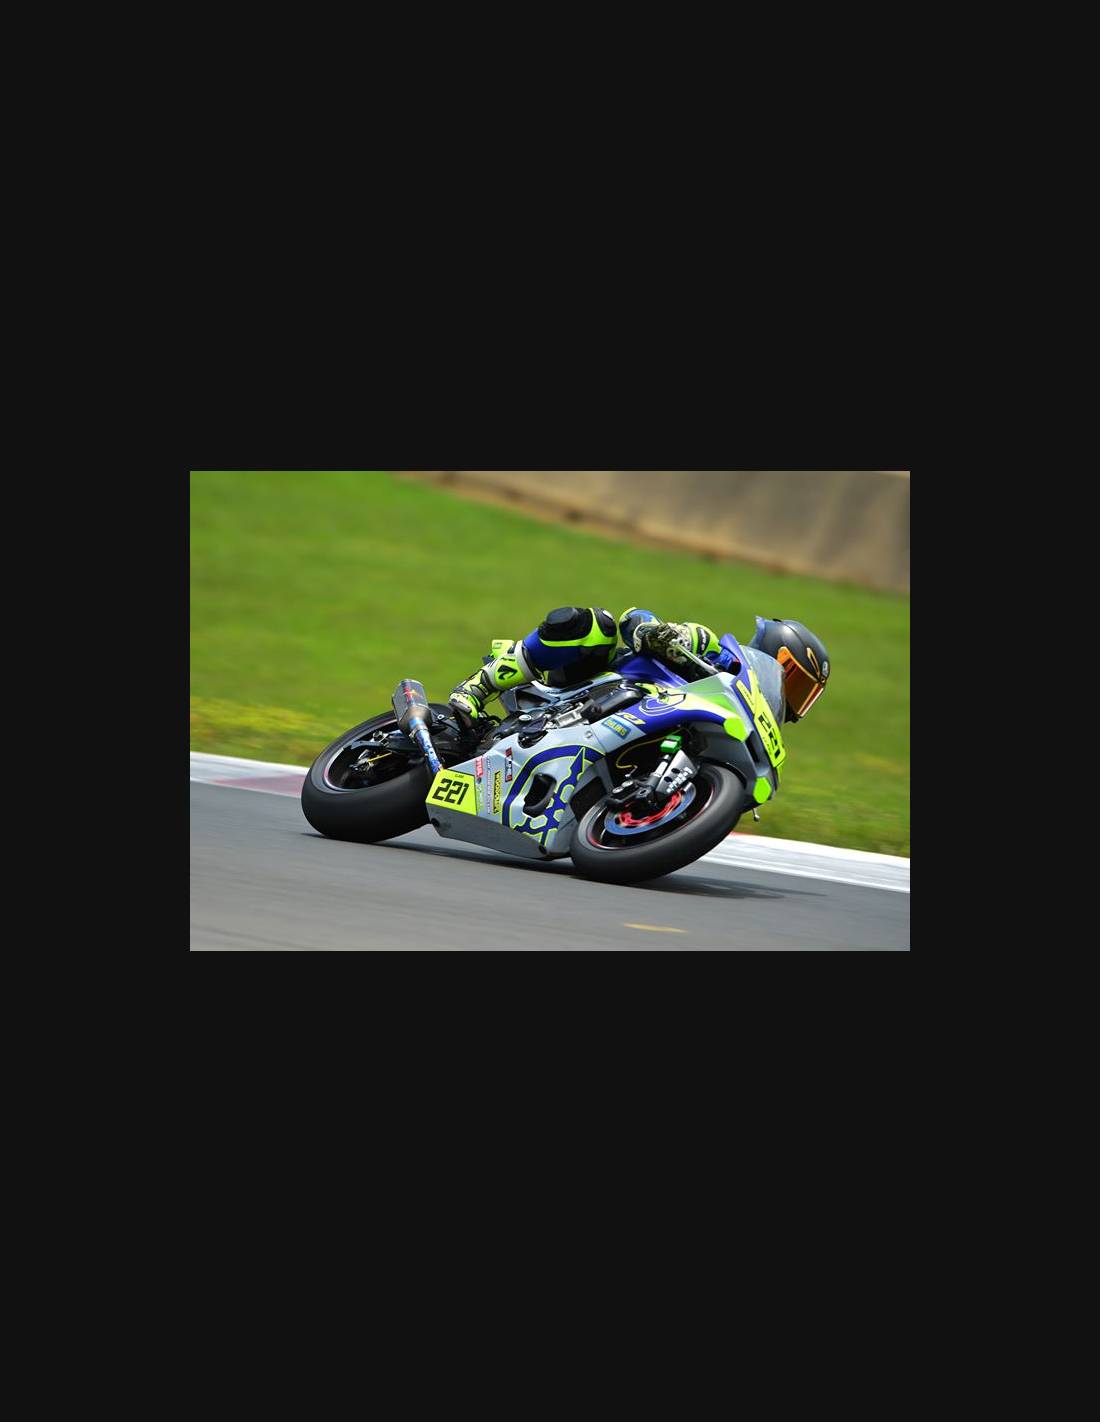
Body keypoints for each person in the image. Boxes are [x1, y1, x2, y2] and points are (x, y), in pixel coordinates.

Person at [448, 606, 829, 731]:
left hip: (632, 727)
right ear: (775, 655)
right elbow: (636, 617)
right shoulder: (718, 654)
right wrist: (656, 633)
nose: (794, 702)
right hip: (595, 687)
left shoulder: (742, 725)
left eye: (805, 697)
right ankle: (478, 687)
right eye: (797, 684)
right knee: (593, 624)